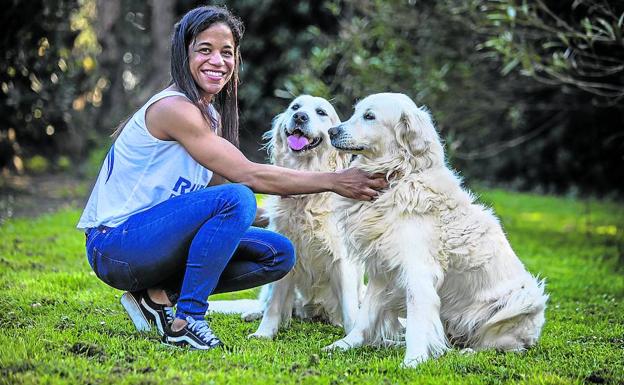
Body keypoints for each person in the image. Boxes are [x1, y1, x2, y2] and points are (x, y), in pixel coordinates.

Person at [77, 5, 386, 351]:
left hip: (151, 244)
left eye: (227, 52)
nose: (217, 61)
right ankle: (187, 320)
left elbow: (217, 208)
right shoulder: (174, 108)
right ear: (184, 53)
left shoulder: (208, 114)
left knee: (279, 253)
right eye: (204, 50)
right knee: (239, 195)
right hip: (115, 246)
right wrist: (335, 180)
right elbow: (245, 177)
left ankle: (157, 295)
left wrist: (301, 211)